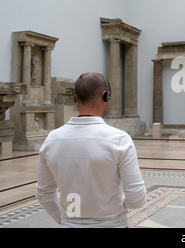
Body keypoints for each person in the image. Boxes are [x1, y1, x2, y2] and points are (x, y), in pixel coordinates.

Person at [36, 72, 146, 227]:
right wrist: (113, 211)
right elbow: (137, 198)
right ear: (105, 96)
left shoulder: (52, 140)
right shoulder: (119, 139)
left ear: (76, 98)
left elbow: (44, 194)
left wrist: (63, 219)